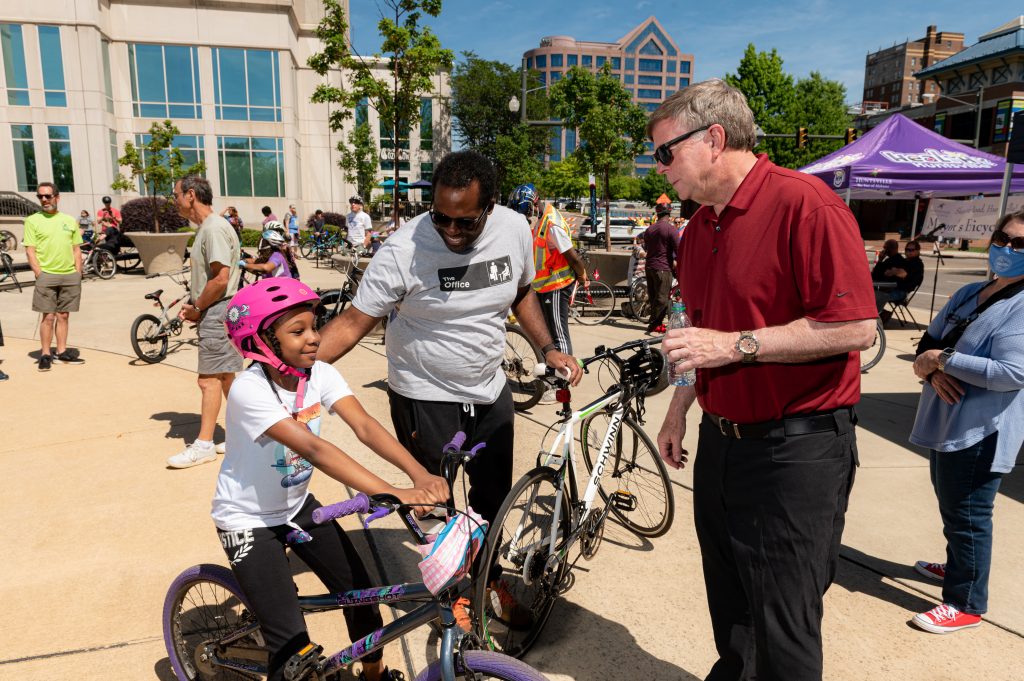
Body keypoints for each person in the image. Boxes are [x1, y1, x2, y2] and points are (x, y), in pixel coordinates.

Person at [650, 80, 876, 681]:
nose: (659, 167)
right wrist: (678, 410)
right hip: (722, 444)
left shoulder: (806, 205)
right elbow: (700, 335)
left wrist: (734, 346)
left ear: (713, 138)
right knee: (732, 609)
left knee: (783, 620)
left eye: (665, 152)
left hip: (795, 450)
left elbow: (855, 327)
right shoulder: (700, 228)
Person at [316, 151, 583, 624]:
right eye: (441, 218)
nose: (452, 231)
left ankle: (487, 579)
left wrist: (548, 348)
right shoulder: (403, 250)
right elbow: (354, 322)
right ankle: (455, 592)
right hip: (424, 393)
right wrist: (287, 371)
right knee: (436, 504)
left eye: (466, 221)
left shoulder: (514, 229)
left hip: (489, 389)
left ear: (491, 207)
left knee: (492, 499)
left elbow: (522, 291)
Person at [216, 277, 446, 681]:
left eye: (314, 326)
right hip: (248, 520)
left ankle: (372, 673)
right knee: (293, 653)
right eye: (298, 331)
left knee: (362, 597)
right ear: (263, 342)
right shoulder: (249, 390)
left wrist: (419, 474)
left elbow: (365, 426)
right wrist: (394, 493)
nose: (314, 338)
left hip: (297, 508)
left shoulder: (318, 373)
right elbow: (315, 449)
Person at [907, 211, 1024, 634]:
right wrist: (933, 369)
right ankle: (960, 566)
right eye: (1002, 238)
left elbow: (1013, 373)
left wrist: (943, 361)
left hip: (983, 430)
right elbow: (927, 343)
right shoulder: (971, 291)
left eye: (1019, 244)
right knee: (951, 503)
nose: (1006, 248)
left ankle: (967, 601)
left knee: (970, 514)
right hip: (948, 421)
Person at [167, 175, 242, 468]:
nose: (174, 201)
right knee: (225, 378)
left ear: (190, 195)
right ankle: (242, 436)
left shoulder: (213, 228)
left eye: (176, 195)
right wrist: (196, 305)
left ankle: (204, 445)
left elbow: (220, 279)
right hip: (219, 309)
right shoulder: (211, 227)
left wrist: (198, 307)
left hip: (217, 310)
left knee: (208, 380)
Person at [508, 183, 588, 404]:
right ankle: (550, 379)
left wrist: (582, 275)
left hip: (557, 285)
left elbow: (571, 255)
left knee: (559, 336)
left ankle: (560, 386)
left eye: (527, 213)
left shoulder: (551, 223)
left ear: (534, 205)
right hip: (544, 286)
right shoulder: (541, 221)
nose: (527, 218)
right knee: (547, 337)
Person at [24, 182, 86, 371]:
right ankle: (45, 354)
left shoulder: (69, 220)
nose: (44, 199)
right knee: (48, 317)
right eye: (40, 196)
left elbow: (76, 249)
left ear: (57, 197)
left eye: (47, 196)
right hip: (47, 275)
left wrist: (78, 272)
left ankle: (61, 351)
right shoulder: (32, 221)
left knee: (64, 315)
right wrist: (39, 273)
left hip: (69, 275)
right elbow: (30, 251)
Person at [642, 202, 680, 334]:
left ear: (657, 214)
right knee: (662, 298)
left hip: (649, 267)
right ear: (669, 214)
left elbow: (646, 247)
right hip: (663, 267)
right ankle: (654, 325)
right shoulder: (671, 229)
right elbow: (679, 250)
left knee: (654, 297)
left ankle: (654, 323)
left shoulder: (649, 230)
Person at [875, 239, 924, 315]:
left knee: (876, 295)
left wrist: (895, 272)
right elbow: (890, 272)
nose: (908, 251)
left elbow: (904, 276)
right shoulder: (904, 261)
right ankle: (882, 314)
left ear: (918, 251)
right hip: (891, 288)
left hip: (900, 292)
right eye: (907, 249)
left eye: (911, 250)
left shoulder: (917, 264)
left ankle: (877, 315)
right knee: (872, 292)